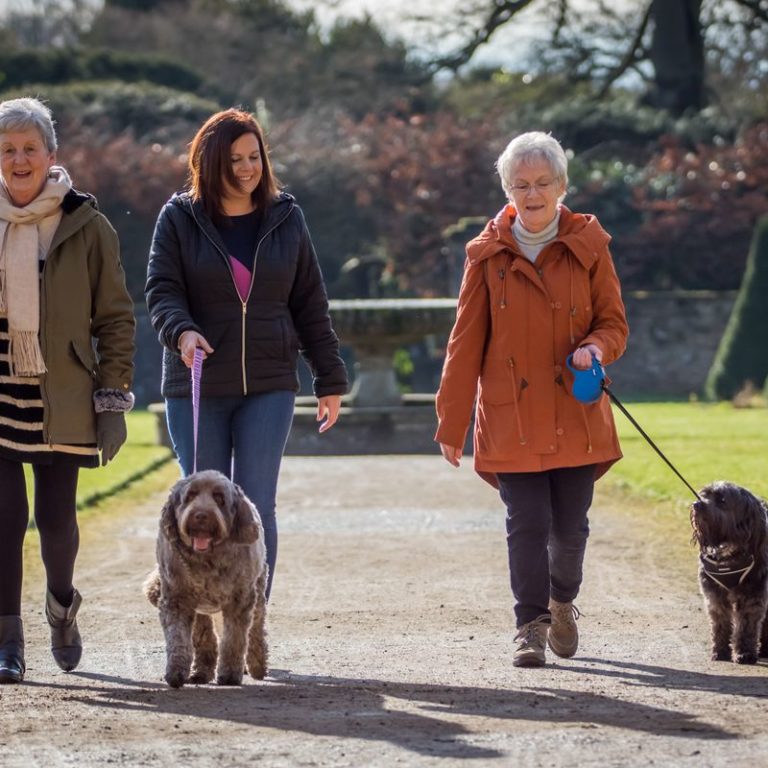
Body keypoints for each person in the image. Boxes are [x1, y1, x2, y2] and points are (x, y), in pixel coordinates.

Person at [435, 131, 628, 668]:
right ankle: (530, 625)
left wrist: (594, 345)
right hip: (510, 416)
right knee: (525, 524)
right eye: (521, 184)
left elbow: (614, 323)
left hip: (575, 411)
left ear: (562, 186)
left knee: (570, 531)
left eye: (543, 182)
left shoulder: (590, 248)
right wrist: (452, 424)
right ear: (507, 189)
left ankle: (563, 602)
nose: (533, 192)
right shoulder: (487, 255)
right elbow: (464, 341)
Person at [145, 108, 347, 601]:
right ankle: (193, 612)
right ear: (209, 162)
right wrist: (183, 332)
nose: (246, 168)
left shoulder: (286, 217)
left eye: (254, 156)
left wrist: (330, 378)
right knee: (197, 506)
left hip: (269, 383)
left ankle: (250, 619)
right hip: (198, 381)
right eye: (234, 159)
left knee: (254, 507)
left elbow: (309, 301)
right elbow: (161, 290)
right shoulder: (179, 218)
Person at [0, 97, 136, 684]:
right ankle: (8, 643)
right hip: (2, 392)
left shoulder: (87, 225)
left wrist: (112, 399)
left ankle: (61, 606)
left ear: (51, 155)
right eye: (8, 150)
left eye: (30, 148)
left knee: (56, 522)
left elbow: (115, 318)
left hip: (64, 395)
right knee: (4, 518)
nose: (19, 159)